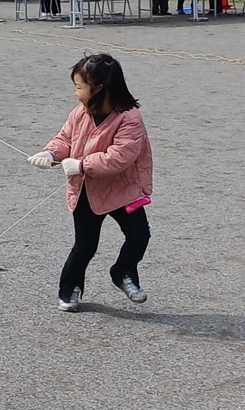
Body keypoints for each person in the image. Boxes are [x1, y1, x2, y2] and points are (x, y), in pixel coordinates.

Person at [26, 53, 154, 312]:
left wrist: (82, 164)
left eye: (79, 87)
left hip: (123, 189)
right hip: (87, 190)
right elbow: (64, 139)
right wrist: (50, 154)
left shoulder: (130, 118)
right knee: (85, 245)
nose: (76, 93)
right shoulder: (79, 113)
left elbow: (120, 156)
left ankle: (123, 272)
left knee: (139, 236)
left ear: (99, 88)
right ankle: (70, 288)